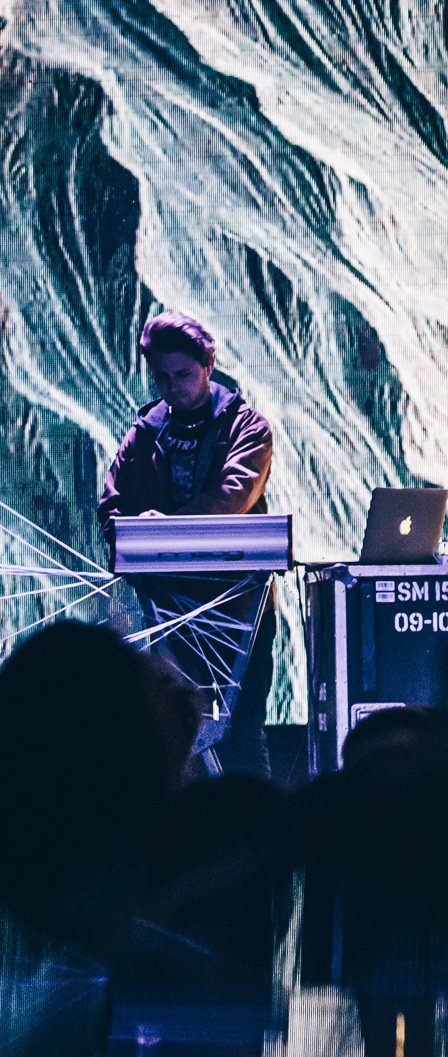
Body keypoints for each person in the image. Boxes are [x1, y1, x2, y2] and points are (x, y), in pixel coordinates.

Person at [97, 312, 276, 776]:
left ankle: (254, 820)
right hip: (168, 608)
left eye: (182, 374)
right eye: (161, 377)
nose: (171, 387)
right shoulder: (145, 432)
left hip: (239, 606)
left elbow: (233, 496)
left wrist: (163, 530)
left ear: (208, 365)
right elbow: (112, 504)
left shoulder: (247, 428)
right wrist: (132, 542)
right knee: (175, 733)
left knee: (242, 731)